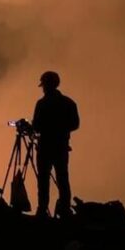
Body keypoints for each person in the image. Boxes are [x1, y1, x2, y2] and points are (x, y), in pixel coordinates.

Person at [32, 71, 79, 218]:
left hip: (45, 147)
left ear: (46, 85)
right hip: (61, 147)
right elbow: (75, 124)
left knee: (43, 180)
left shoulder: (42, 104)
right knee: (63, 179)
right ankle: (64, 209)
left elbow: (37, 126)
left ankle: (42, 209)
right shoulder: (69, 103)